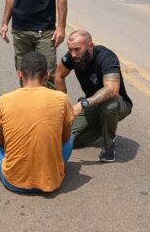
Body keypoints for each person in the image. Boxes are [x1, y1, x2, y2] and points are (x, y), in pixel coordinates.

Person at [0, 52, 74, 193]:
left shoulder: (4, 100)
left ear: (19, 73)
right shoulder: (62, 98)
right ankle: (51, 167)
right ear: (47, 75)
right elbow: (65, 138)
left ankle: (17, 165)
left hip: (15, 182)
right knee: (71, 136)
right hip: (51, 181)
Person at [55, 30, 133, 163]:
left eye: (77, 49)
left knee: (109, 106)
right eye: (70, 49)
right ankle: (101, 127)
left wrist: (83, 104)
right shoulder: (73, 56)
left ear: (90, 46)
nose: (73, 54)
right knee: (67, 139)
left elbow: (112, 90)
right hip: (92, 103)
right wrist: (65, 106)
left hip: (118, 104)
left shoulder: (106, 57)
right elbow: (59, 75)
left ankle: (109, 147)